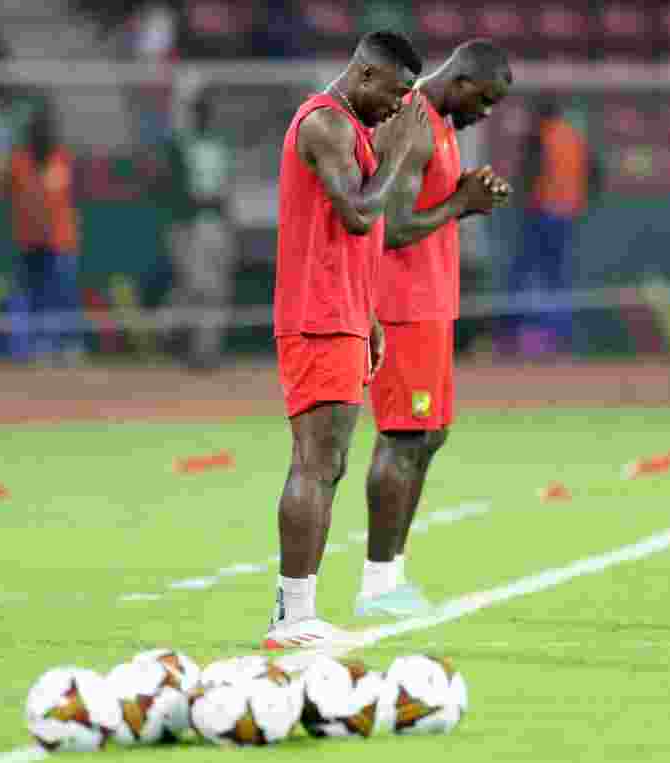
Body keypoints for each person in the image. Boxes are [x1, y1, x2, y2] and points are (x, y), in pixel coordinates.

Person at [266, 30, 429, 649]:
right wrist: (398, 151)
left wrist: (372, 317)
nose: (399, 107)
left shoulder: (353, 130)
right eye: (396, 92)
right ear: (365, 75)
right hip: (318, 318)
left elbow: (349, 243)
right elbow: (359, 213)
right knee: (316, 461)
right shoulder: (324, 125)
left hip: (344, 315)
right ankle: (291, 617)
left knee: (326, 465)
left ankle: (299, 613)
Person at [356, 39, 513, 617]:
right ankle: (377, 584)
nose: (487, 114)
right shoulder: (411, 123)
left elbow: (424, 203)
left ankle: (393, 574)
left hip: (433, 304)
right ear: (464, 81)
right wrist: (459, 205)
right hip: (402, 306)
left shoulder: (440, 126)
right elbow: (388, 227)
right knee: (401, 437)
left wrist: (461, 198)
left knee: (429, 436)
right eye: (487, 101)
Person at [503, 98, 601, 357]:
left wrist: (523, 199)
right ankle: (560, 339)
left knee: (523, 273)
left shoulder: (540, 136)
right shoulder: (574, 138)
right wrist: (579, 201)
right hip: (567, 215)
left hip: (540, 212)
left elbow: (528, 172)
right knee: (557, 277)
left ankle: (511, 337)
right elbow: (595, 173)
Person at [164, 90, 238, 372]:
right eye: (199, 112)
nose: (205, 117)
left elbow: (227, 187)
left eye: (207, 112)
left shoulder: (220, 146)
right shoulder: (182, 146)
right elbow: (174, 190)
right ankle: (180, 337)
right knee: (195, 289)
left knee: (216, 292)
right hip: (192, 223)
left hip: (215, 222)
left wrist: (230, 224)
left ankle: (207, 352)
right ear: (193, 116)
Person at [8, 103, 83, 364]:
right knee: (37, 294)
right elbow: (7, 189)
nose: (41, 135)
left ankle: (71, 344)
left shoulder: (62, 159)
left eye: (45, 130)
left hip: (60, 240)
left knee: (64, 292)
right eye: (36, 130)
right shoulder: (19, 161)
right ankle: (42, 344)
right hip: (31, 240)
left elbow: (71, 194)